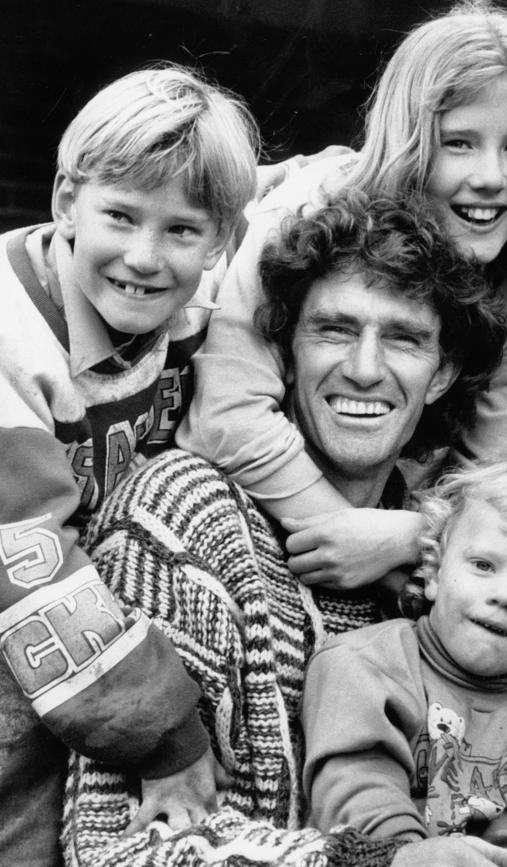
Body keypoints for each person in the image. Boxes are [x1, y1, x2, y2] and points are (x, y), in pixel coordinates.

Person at [62, 195, 507, 867]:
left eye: (403, 338)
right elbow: (115, 845)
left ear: (444, 372)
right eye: (335, 330)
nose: (365, 368)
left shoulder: (457, 547)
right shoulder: (182, 518)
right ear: (287, 353)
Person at [176, 0, 507, 590]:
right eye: (459, 142)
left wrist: (404, 539)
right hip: (243, 495)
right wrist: (347, 533)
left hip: (401, 526)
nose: (492, 177)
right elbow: (226, 415)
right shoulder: (306, 213)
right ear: (407, 141)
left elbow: (497, 481)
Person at [0, 63, 260, 865]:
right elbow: (27, 564)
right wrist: (168, 733)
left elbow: (299, 187)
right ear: (63, 200)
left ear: (223, 240)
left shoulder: (191, 308)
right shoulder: (10, 336)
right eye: (120, 215)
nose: (145, 257)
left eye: (182, 230)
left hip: (67, 661)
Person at [302, 459, 507, 863]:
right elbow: (355, 792)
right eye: (483, 565)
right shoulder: (363, 666)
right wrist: (411, 855)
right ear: (436, 572)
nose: (505, 595)